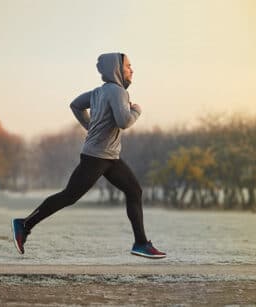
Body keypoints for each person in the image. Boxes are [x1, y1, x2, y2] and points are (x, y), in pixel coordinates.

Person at [11, 52, 166, 259]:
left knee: (134, 191)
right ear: (117, 69)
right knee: (69, 196)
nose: (132, 70)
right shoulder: (119, 92)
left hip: (109, 157)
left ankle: (140, 243)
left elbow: (75, 104)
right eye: (128, 66)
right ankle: (24, 224)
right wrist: (136, 110)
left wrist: (89, 125)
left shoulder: (99, 92)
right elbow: (124, 122)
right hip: (97, 157)